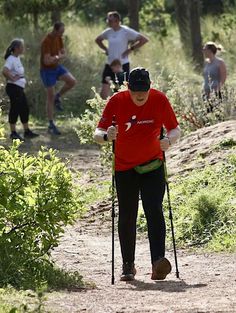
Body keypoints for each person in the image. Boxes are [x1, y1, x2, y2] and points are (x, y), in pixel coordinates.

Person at [94, 67, 181, 281]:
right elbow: (97, 133)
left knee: (154, 211)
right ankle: (127, 265)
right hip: (125, 168)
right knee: (127, 214)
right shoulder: (116, 101)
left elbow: (175, 129)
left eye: (144, 90)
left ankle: (158, 263)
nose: (141, 95)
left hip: (153, 166)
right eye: (136, 91)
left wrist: (169, 141)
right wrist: (107, 136)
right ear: (128, 88)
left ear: (150, 87)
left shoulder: (159, 99)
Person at [95, 11, 149, 99]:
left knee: (122, 90)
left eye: (110, 20)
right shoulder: (108, 32)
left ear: (116, 20)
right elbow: (98, 40)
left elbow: (144, 39)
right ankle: (103, 109)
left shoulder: (125, 31)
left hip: (122, 64)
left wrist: (130, 49)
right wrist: (106, 49)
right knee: (104, 89)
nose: (107, 22)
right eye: (108, 20)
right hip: (110, 64)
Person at [40, 21, 76, 135]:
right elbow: (46, 60)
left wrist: (56, 58)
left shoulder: (59, 38)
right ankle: (51, 123)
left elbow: (63, 53)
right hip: (47, 70)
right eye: (61, 32)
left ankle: (58, 96)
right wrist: (57, 57)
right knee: (49, 96)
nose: (62, 34)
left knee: (72, 81)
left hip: (56, 67)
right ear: (55, 30)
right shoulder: (46, 41)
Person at [2, 38, 39, 141]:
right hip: (13, 88)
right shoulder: (11, 59)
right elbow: (5, 71)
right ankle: (13, 133)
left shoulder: (17, 58)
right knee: (15, 108)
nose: (24, 48)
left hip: (19, 88)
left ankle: (27, 131)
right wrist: (12, 78)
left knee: (24, 108)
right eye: (22, 47)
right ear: (17, 48)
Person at [202, 41, 227, 111]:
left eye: (205, 49)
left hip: (215, 93)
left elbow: (223, 78)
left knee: (216, 112)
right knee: (207, 113)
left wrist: (216, 91)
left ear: (210, 51)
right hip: (206, 92)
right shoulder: (206, 62)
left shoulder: (219, 62)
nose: (203, 51)